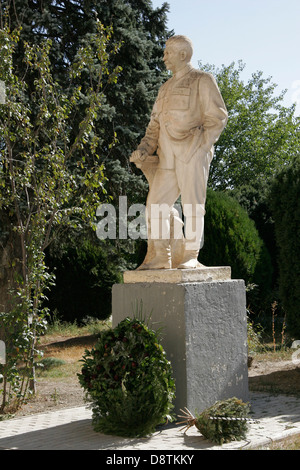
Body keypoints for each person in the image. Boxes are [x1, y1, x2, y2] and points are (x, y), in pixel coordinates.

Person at [131, 35, 228, 269]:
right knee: (155, 205)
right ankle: (162, 257)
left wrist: (202, 147)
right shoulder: (164, 88)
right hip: (167, 157)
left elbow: (218, 117)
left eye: (168, 52)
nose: (164, 57)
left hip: (192, 152)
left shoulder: (202, 80)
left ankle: (190, 255)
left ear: (183, 55)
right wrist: (144, 149)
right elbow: (154, 124)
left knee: (193, 205)